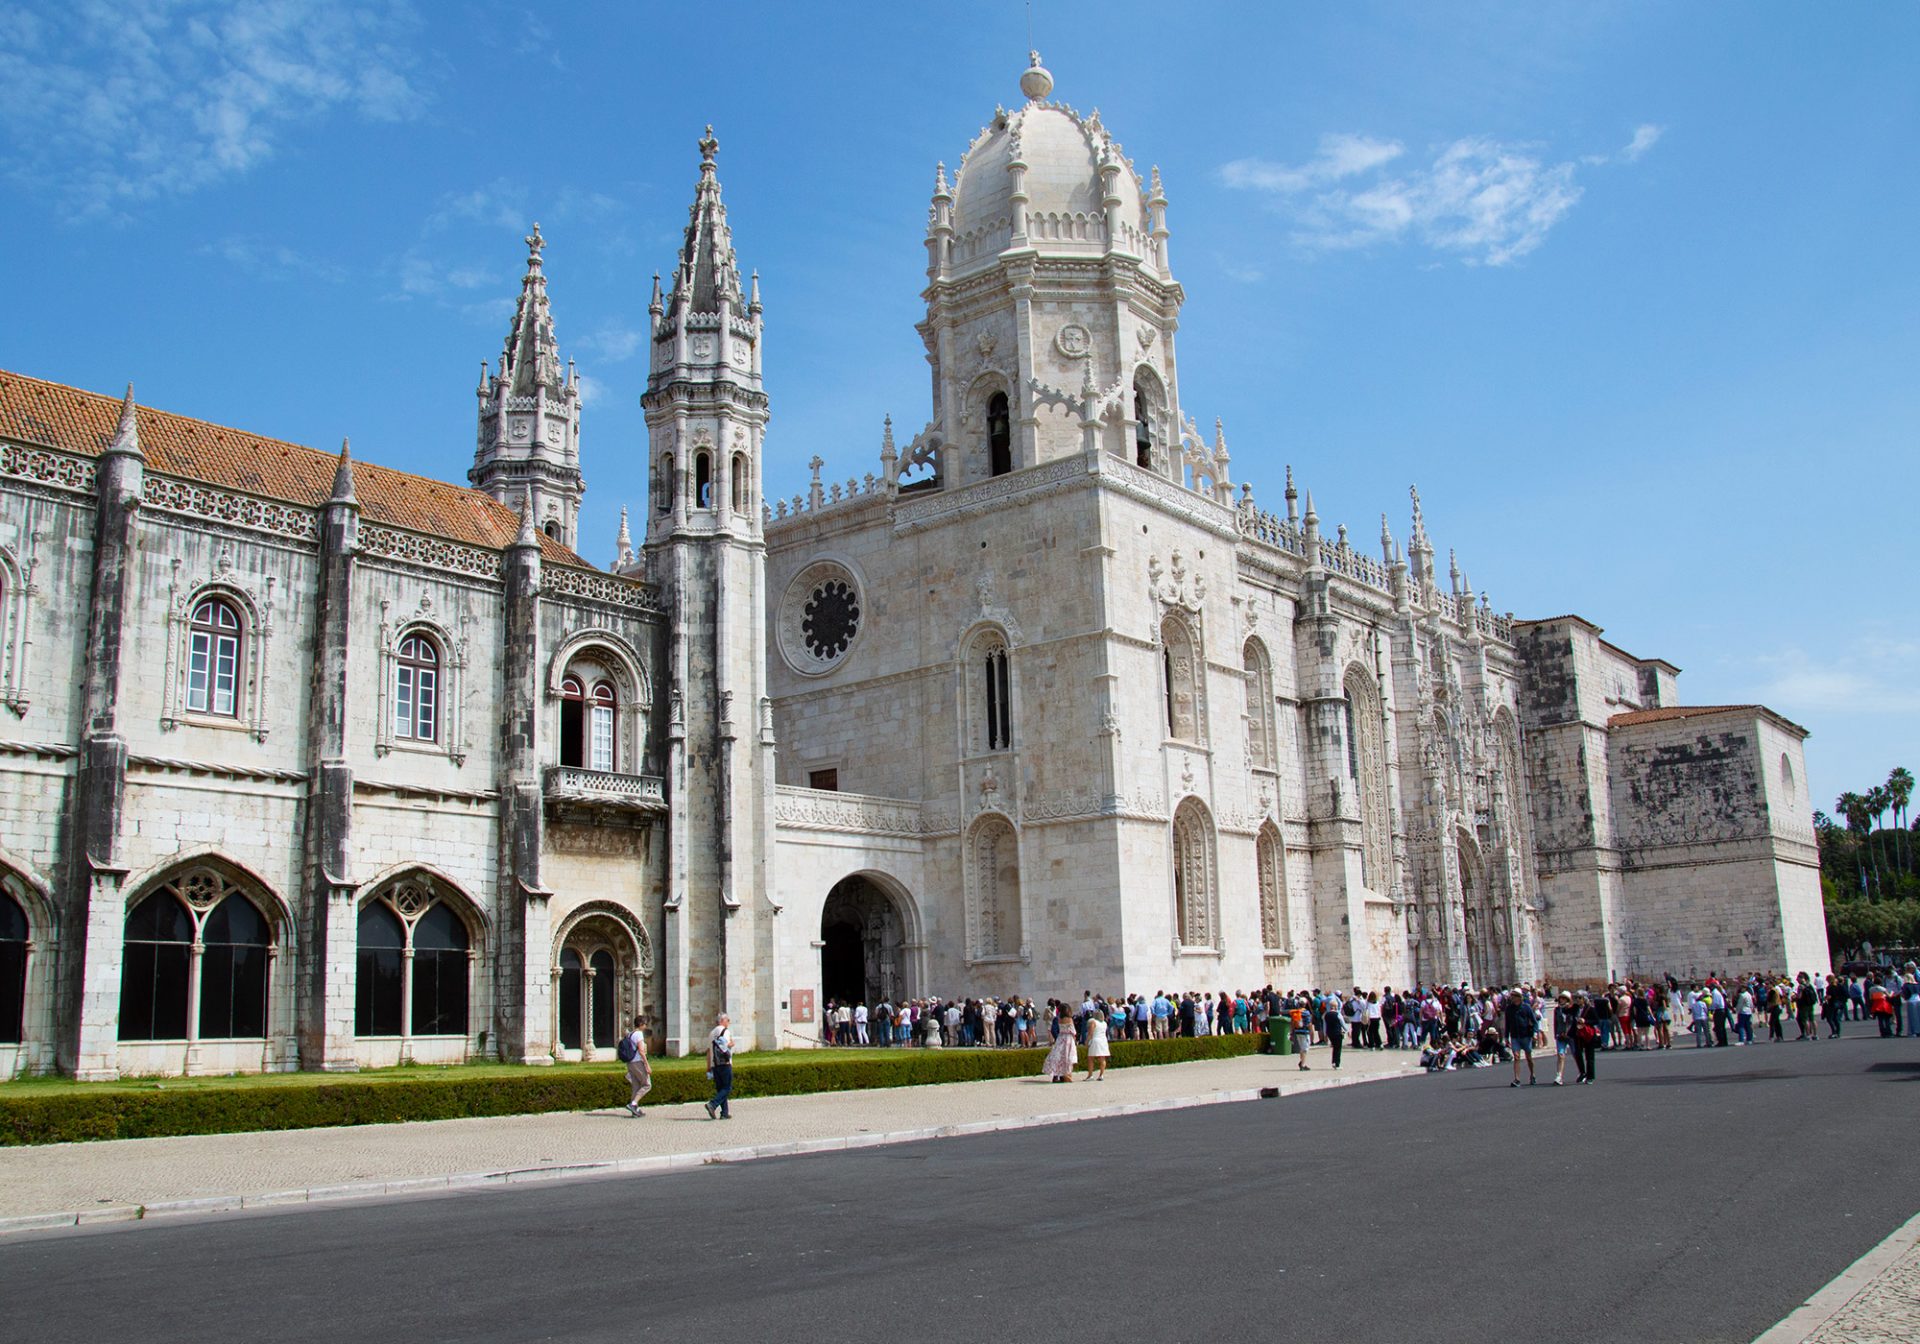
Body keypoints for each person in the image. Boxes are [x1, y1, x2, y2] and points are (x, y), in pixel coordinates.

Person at [619, 1014, 651, 1116]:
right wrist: (647, 1064)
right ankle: (633, 1104)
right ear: (641, 1024)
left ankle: (635, 1110)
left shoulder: (630, 1034)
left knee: (636, 1086)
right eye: (645, 1024)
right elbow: (641, 1051)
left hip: (630, 1063)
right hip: (637, 1062)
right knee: (647, 1085)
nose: (646, 1026)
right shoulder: (639, 1034)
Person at [1506, 987, 1539, 1086]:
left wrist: (1535, 1032)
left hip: (1525, 1035)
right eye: (1512, 996)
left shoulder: (1526, 1007)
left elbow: (1534, 1021)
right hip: (1515, 1036)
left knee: (1529, 1057)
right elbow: (1507, 1023)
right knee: (1516, 1057)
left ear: (1520, 997)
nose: (1513, 998)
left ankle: (1532, 1074)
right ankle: (1517, 1079)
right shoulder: (1509, 1009)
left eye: (1515, 996)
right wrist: (1506, 1037)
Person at [704, 1012, 734, 1119]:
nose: (728, 1023)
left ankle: (724, 1113)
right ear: (722, 1021)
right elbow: (725, 1045)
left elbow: (708, 1051)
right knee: (727, 1088)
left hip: (714, 1065)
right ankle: (712, 1104)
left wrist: (708, 1067)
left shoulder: (711, 1033)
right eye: (727, 1020)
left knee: (721, 1088)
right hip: (725, 1063)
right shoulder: (725, 1031)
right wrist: (732, 1043)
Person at [1041, 1006, 1077, 1082]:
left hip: (1061, 1037)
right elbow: (1073, 1031)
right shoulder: (1069, 1019)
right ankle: (1065, 1075)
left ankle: (1056, 1075)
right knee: (1067, 1057)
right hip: (1068, 1038)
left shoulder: (1059, 1019)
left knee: (1058, 1056)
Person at [1083, 1005, 1111, 1081]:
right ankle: (1101, 1075)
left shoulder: (1093, 1022)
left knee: (1090, 1058)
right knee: (1102, 1058)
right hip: (1103, 1040)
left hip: (1095, 1040)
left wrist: (1086, 1041)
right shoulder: (1104, 1023)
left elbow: (1090, 1033)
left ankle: (1090, 1075)